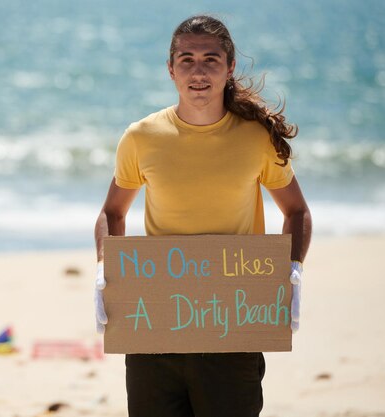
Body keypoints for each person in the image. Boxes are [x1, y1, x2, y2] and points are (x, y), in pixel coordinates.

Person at [93, 14, 312, 417]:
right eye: (186, 59)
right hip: (155, 327)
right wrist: (107, 269)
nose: (198, 71)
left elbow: (296, 211)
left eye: (210, 59)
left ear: (229, 68)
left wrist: (292, 269)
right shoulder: (141, 137)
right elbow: (112, 212)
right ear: (170, 69)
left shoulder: (255, 138)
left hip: (233, 326)